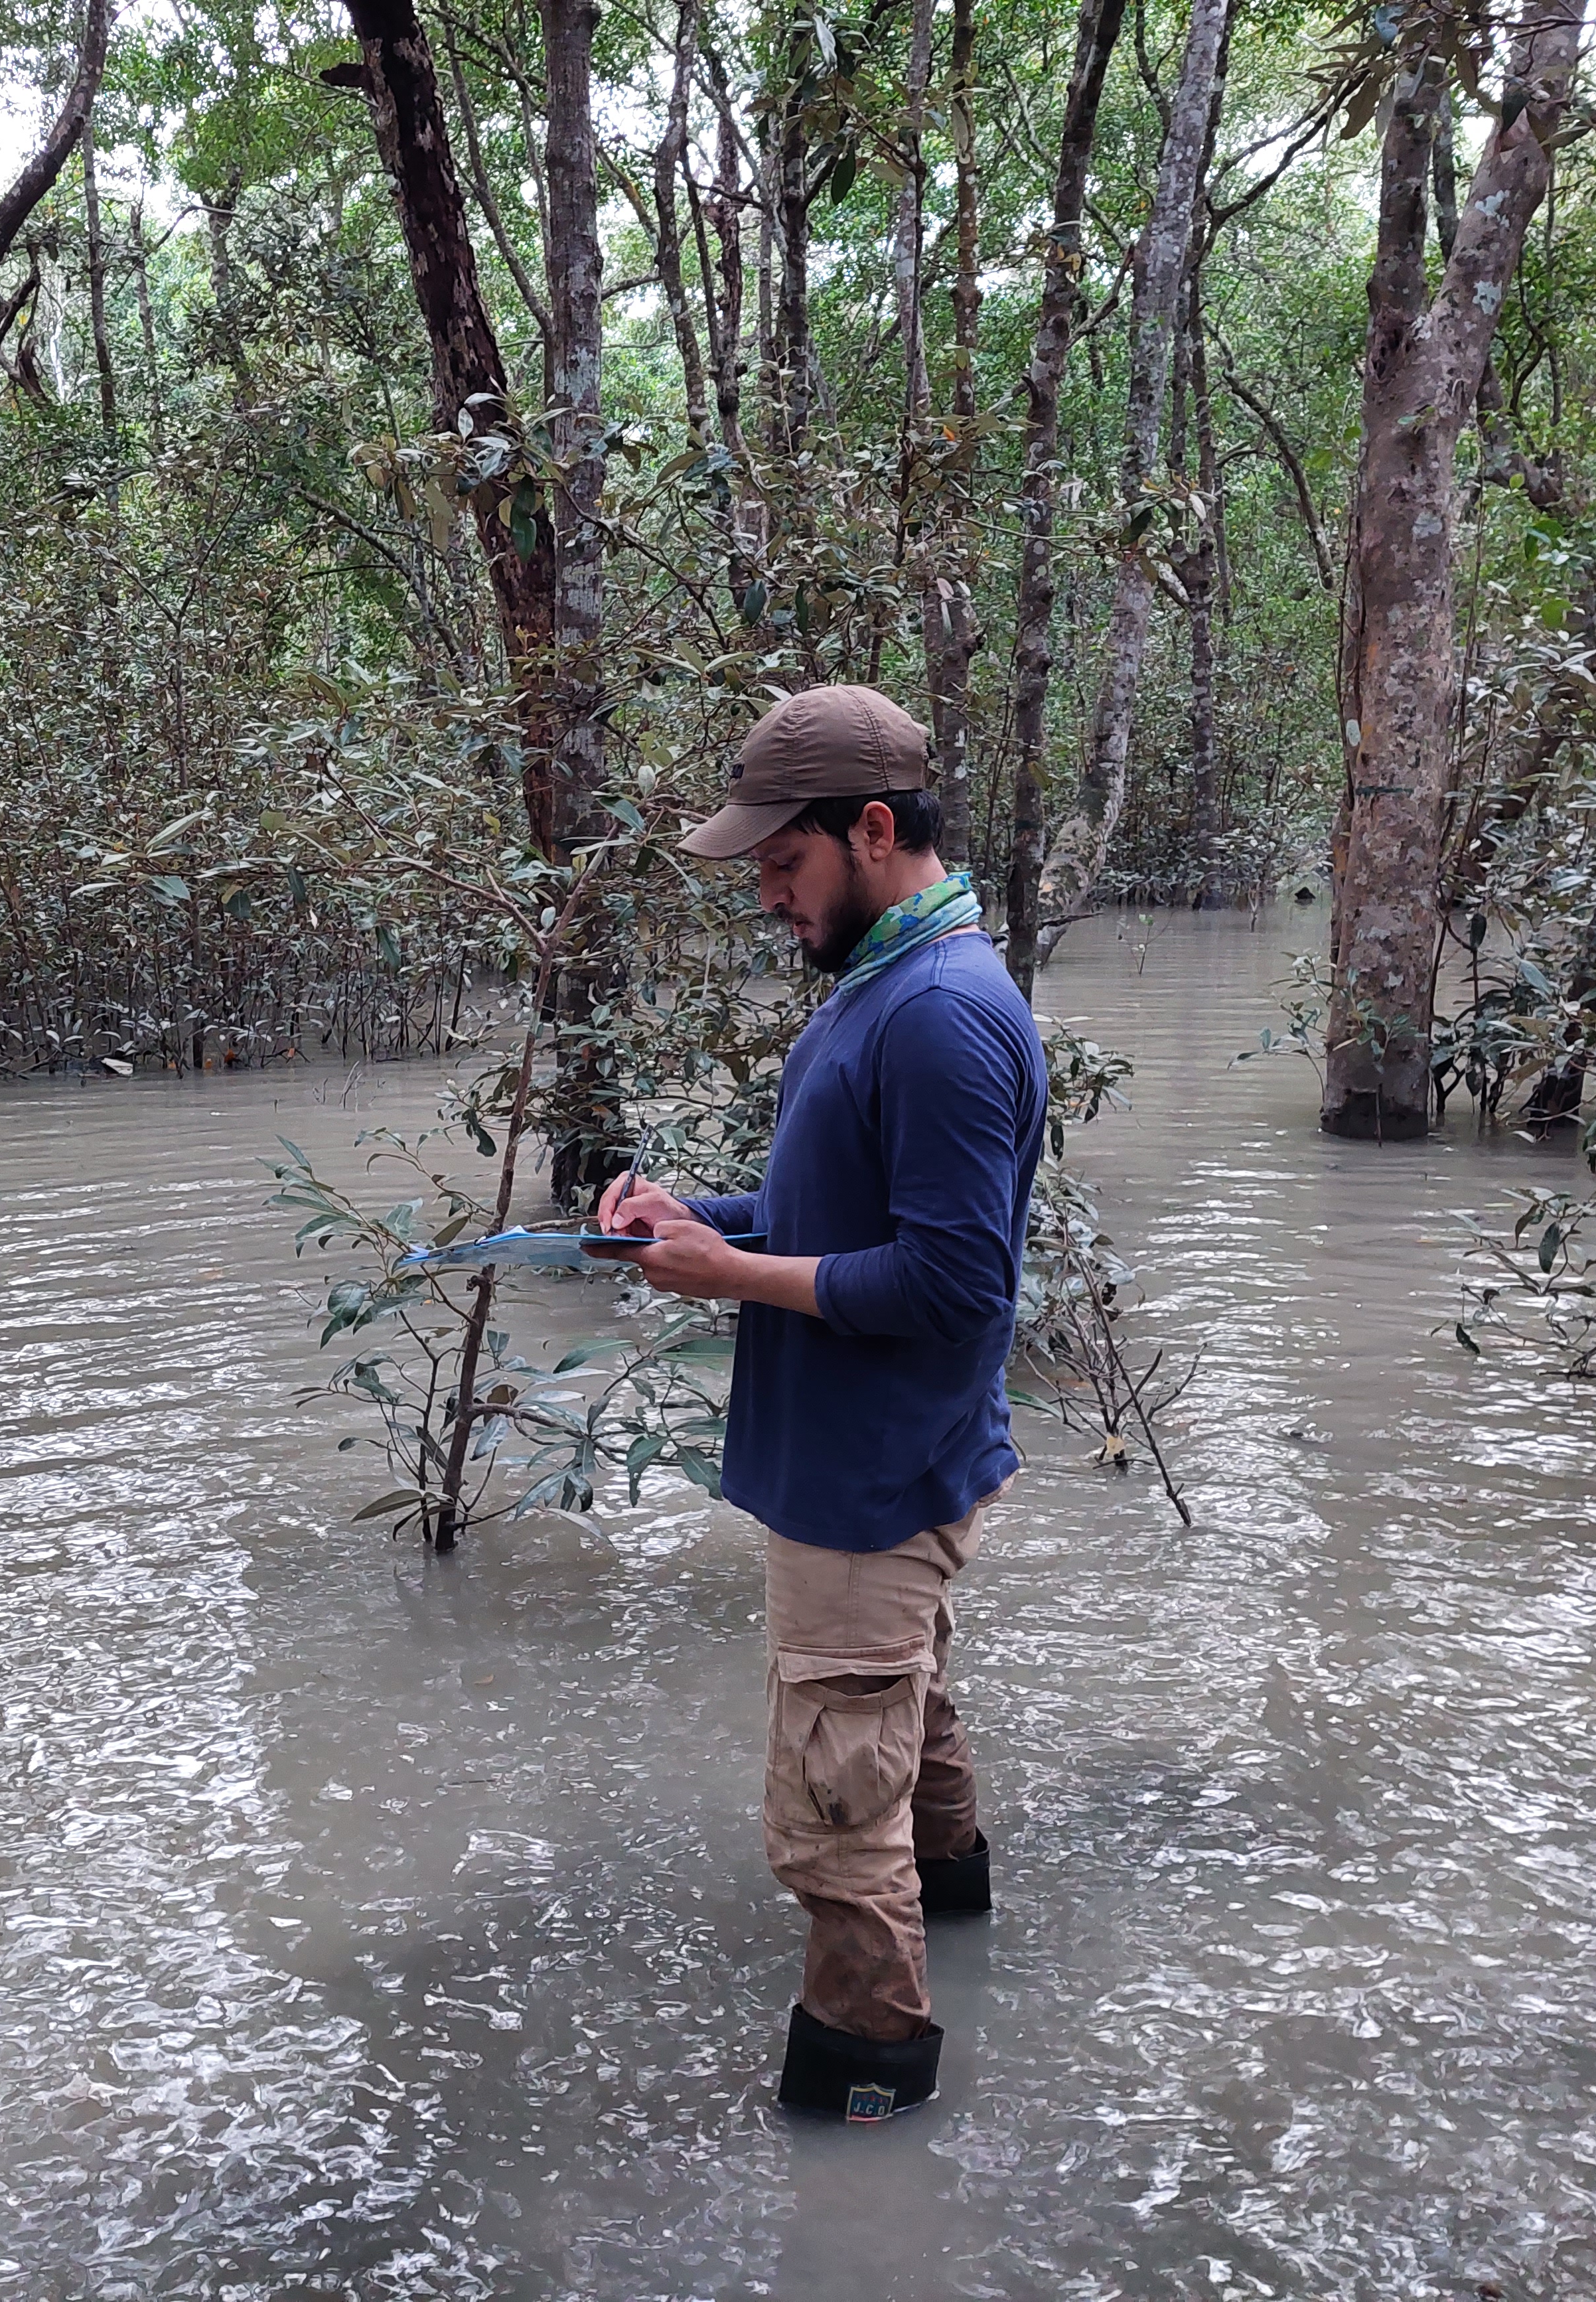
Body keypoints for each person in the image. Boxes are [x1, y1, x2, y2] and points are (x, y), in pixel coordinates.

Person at [593, 684, 1047, 2123]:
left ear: (869, 830)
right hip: (889, 1462)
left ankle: (865, 2091)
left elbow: (957, 1281)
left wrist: (730, 1277)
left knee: (831, 1809)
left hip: (870, 1479)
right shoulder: (886, 984)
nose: (771, 899)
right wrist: (698, 1223)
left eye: (783, 867)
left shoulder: (936, 1015)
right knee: (898, 1704)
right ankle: (961, 1909)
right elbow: (840, 1211)